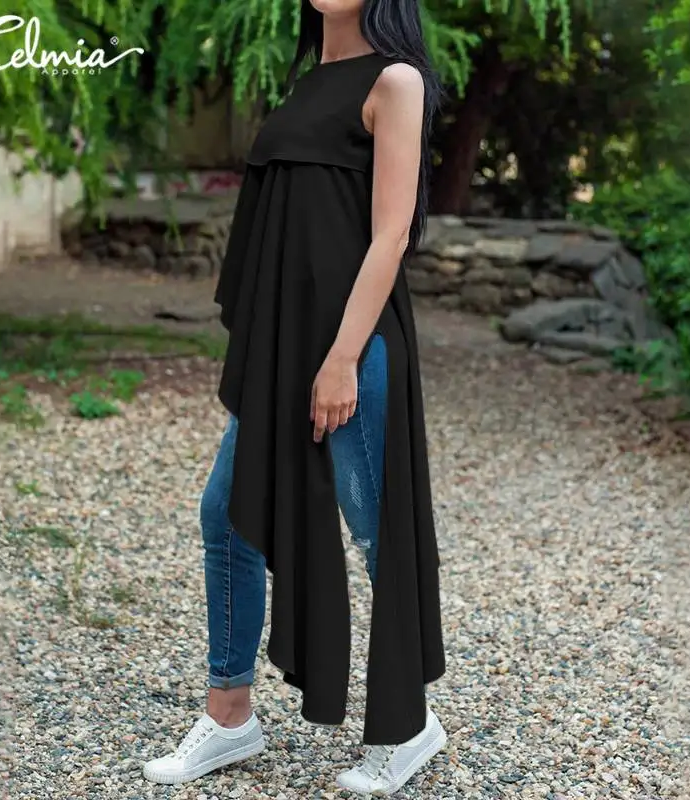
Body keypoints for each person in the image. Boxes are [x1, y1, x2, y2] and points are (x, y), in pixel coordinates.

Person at [143, 0, 447, 794]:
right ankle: (230, 714)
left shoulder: (397, 80)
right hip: (283, 345)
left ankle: (410, 724)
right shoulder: (308, 80)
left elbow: (391, 233)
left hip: (353, 347)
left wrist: (341, 358)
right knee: (226, 513)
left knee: (377, 531)